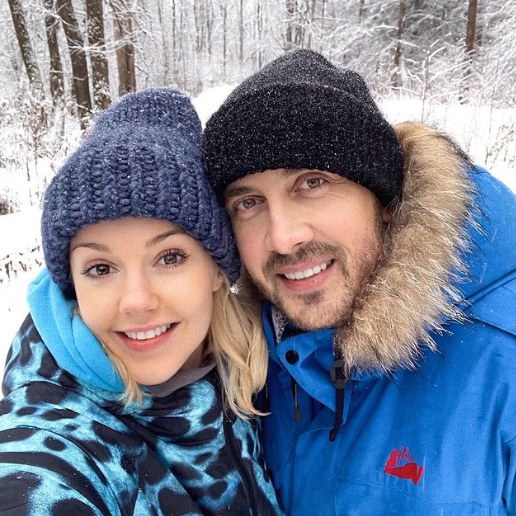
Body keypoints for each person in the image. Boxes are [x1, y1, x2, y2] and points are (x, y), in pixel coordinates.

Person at [203, 50, 516, 515]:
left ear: (385, 201)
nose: (284, 238)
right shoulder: (243, 366)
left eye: (312, 183)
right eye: (248, 203)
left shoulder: (503, 367)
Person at [0, 88, 281, 515]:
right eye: (101, 268)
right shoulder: (57, 430)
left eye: (169, 258)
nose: (136, 301)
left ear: (216, 271)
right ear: (72, 285)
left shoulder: (260, 367)